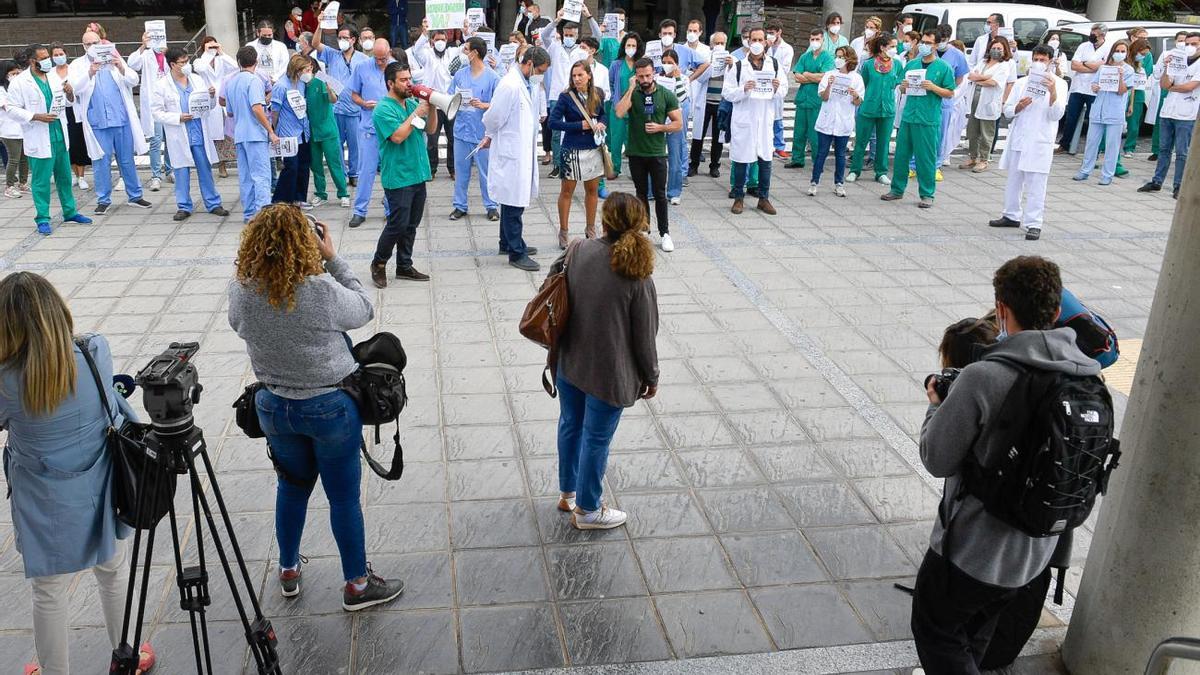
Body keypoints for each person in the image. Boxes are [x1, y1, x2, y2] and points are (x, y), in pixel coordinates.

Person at [913, 255, 1100, 674]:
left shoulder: (984, 376)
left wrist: (935, 407)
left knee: (937, 633)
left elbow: (937, 458)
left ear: (1000, 310)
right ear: (1055, 312)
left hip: (973, 552)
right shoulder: (1087, 376)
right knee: (977, 632)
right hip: (1037, 552)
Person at [228, 204, 405, 611]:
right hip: (329, 407)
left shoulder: (242, 288)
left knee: (291, 487)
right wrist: (333, 258)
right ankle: (357, 586)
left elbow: (236, 325)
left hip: (273, 405)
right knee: (342, 498)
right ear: (306, 242)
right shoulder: (319, 290)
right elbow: (363, 307)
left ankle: (288, 569)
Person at [0, 272, 156, 675]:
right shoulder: (94, 351)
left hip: (42, 496)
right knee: (112, 569)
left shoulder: (6, 380)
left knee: (48, 591)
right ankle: (128, 655)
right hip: (101, 483)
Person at [549, 192, 659, 531]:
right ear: (640, 225)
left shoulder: (579, 250)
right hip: (608, 374)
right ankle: (589, 509)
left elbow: (551, 282)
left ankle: (568, 493)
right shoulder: (636, 275)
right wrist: (651, 376)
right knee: (596, 438)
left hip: (570, 361)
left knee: (570, 425)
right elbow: (645, 336)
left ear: (605, 221)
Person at [6, 45, 93, 235]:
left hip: (59, 135)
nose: (48, 60)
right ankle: (42, 218)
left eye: (48, 57)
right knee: (41, 181)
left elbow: (67, 101)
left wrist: (70, 92)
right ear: (32, 61)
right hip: (38, 136)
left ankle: (70, 212)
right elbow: (11, 108)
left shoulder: (53, 76)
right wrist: (35, 116)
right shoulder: (20, 82)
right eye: (43, 58)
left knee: (64, 177)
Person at [70, 31, 152, 216]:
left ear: (102, 42)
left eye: (95, 42)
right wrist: (90, 72)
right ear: (83, 46)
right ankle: (103, 199)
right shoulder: (78, 65)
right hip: (97, 122)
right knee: (101, 161)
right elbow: (75, 88)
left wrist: (120, 67)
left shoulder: (114, 58)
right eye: (88, 44)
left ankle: (135, 196)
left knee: (127, 160)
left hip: (121, 119)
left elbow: (133, 80)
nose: (92, 46)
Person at [483, 46, 549, 271]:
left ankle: (507, 242)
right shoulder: (510, 85)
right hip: (511, 153)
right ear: (529, 63)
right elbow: (493, 116)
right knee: (514, 203)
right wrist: (489, 135)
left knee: (512, 198)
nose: (540, 75)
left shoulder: (525, 83)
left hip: (520, 151)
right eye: (539, 70)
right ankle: (516, 253)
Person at [991, 45, 1067, 242]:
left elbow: (1056, 115)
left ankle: (1034, 223)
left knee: (1036, 183)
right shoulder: (1022, 82)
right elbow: (1007, 111)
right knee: (1014, 179)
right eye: (1036, 59)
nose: (1039, 63)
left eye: (1043, 60)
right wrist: (1019, 106)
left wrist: (1052, 93)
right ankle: (1011, 214)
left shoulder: (1059, 84)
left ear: (1050, 61)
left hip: (1040, 140)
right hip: (1020, 137)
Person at [369, 62, 435, 287]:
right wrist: (417, 112)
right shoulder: (383, 109)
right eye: (404, 80)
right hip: (398, 176)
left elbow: (431, 129)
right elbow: (397, 136)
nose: (410, 84)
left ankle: (404, 265)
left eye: (410, 79)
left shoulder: (413, 103)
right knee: (397, 224)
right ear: (390, 83)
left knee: (412, 224)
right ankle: (378, 263)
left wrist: (432, 106)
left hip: (418, 173)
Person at [151, 47, 229, 222]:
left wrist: (211, 96)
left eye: (187, 61)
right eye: (182, 62)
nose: (186, 65)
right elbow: (156, 112)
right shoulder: (162, 85)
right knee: (181, 171)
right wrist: (177, 117)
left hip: (199, 131)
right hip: (179, 133)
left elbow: (209, 106)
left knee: (205, 168)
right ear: (172, 64)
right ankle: (184, 206)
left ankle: (213, 203)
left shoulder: (197, 80)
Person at [882, 30, 955, 208]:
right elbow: (902, 88)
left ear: (936, 45)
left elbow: (949, 92)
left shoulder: (943, 67)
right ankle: (897, 189)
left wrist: (934, 87)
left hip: (928, 118)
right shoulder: (912, 64)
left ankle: (927, 193)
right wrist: (903, 86)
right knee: (901, 155)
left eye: (929, 43)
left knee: (926, 158)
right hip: (909, 116)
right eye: (923, 42)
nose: (925, 45)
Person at [615, 57, 683, 251]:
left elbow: (678, 124)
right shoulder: (634, 93)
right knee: (641, 193)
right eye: (640, 76)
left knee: (660, 194)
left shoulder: (665, 94)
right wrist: (630, 89)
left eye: (647, 75)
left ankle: (665, 233)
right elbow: (619, 113)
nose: (644, 79)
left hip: (657, 152)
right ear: (635, 76)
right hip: (636, 152)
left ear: (653, 73)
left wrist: (661, 127)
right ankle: (644, 229)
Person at [725, 28, 787, 216]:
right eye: (754, 39)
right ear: (748, 41)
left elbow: (783, 89)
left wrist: (777, 88)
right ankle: (738, 198)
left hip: (765, 119)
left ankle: (763, 198)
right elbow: (727, 92)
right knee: (742, 160)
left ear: (766, 42)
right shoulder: (738, 66)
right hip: (745, 120)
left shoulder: (774, 65)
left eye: (761, 39)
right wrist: (743, 89)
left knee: (765, 160)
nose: (757, 42)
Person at [549, 60, 606, 247]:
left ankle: (591, 228)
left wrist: (602, 123)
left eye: (580, 75)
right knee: (567, 191)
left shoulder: (598, 93)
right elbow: (553, 122)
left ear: (589, 75)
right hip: (571, 148)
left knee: (592, 191)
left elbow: (604, 114)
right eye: (574, 76)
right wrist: (577, 125)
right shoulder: (566, 97)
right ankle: (563, 232)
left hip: (593, 148)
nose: (577, 79)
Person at [1139, 32, 1200, 200]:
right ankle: (1157, 181)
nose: (1190, 47)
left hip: (1187, 115)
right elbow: (1164, 84)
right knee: (1164, 149)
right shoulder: (1177, 60)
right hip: (1168, 112)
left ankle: (1179, 186)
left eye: (1195, 43)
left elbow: (1190, 86)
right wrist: (1167, 67)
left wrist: (1173, 87)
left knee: (1182, 153)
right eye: (1188, 43)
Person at [448, 36, 501, 222]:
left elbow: (500, 104)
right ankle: (459, 205)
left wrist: (484, 105)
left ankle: (491, 206)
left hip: (483, 133)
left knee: (486, 172)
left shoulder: (493, 77)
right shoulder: (460, 75)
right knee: (461, 172)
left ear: (475, 53)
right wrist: (455, 101)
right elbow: (449, 97)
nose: (464, 52)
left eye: (466, 49)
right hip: (462, 131)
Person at [224, 46, 279, 223]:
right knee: (261, 176)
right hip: (255, 134)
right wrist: (270, 131)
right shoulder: (254, 81)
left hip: (240, 134)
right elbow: (257, 108)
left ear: (238, 62)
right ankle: (262, 215)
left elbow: (230, 112)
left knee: (246, 177)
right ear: (256, 62)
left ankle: (249, 214)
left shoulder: (231, 82)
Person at [312, 24, 369, 189]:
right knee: (336, 145)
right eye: (340, 38)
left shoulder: (363, 59)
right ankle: (341, 175)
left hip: (355, 109)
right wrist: (320, 25)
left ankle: (354, 174)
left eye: (345, 38)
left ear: (353, 40)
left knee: (355, 145)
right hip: (336, 109)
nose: (342, 41)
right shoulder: (332, 54)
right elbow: (315, 44)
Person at [1073, 40, 1134, 186]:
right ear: (1112, 52)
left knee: (1112, 145)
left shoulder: (1129, 70)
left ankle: (1107, 174)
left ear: (1126, 53)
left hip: (1114, 111)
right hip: (1098, 109)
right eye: (1117, 51)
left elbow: (1123, 91)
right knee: (1091, 142)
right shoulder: (1103, 68)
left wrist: (1119, 76)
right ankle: (1085, 170)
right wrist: (1095, 86)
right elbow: (1094, 84)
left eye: (1122, 51)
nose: (1119, 54)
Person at [347, 38, 394, 228]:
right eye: (377, 58)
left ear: (389, 52)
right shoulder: (362, 67)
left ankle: (391, 209)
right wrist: (364, 104)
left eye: (383, 58)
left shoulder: (397, 68)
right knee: (365, 171)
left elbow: (407, 94)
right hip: (368, 127)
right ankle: (359, 211)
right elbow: (354, 94)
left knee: (390, 171)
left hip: (391, 129)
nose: (380, 62)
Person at [808, 46, 863, 197]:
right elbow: (823, 97)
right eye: (837, 56)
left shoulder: (856, 78)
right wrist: (830, 86)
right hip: (827, 119)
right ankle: (814, 182)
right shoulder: (829, 75)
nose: (837, 60)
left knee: (840, 154)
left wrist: (854, 94)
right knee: (821, 153)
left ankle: (839, 183)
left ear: (849, 60)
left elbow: (858, 102)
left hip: (843, 121)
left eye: (841, 57)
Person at [849, 33, 900, 185]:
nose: (894, 49)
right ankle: (854, 170)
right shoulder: (869, 64)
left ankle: (881, 172)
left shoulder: (897, 64)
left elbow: (897, 83)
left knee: (883, 142)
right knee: (861, 140)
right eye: (891, 46)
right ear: (882, 47)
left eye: (895, 47)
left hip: (888, 108)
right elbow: (862, 83)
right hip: (868, 107)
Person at [411, 20, 460, 179]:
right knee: (432, 139)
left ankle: (453, 169)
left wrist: (467, 32)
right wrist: (424, 32)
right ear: (432, 41)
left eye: (443, 40)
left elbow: (467, 50)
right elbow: (417, 50)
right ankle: (431, 169)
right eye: (437, 39)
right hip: (433, 103)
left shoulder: (452, 53)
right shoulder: (427, 54)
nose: (440, 42)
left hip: (450, 102)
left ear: (447, 41)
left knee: (453, 138)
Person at [539, 11, 585, 179]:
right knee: (556, 131)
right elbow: (544, 36)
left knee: (575, 129)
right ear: (562, 34)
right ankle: (558, 165)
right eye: (566, 34)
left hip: (576, 95)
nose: (568, 37)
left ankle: (572, 163)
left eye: (571, 35)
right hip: (557, 94)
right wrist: (557, 20)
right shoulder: (555, 47)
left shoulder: (581, 52)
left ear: (577, 35)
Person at [305, 47, 349, 208]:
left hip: (327, 130)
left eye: (307, 67)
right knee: (315, 165)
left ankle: (343, 193)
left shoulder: (322, 80)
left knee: (334, 163)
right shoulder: (300, 85)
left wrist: (330, 90)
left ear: (312, 66)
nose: (305, 70)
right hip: (311, 131)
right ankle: (320, 193)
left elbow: (334, 99)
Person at [1057, 24, 1112, 154]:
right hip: (1078, 87)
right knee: (1071, 117)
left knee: (1093, 119)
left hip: (1094, 89)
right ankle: (1065, 144)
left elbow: (1104, 67)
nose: (1092, 35)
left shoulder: (1108, 48)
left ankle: (1093, 148)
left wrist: (1085, 63)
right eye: (1091, 32)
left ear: (1102, 35)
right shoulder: (1083, 46)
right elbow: (1075, 65)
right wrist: (1093, 66)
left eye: (1095, 33)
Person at [128, 32, 172, 192]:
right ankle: (155, 175)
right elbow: (132, 64)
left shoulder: (166, 54)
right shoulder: (145, 54)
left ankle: (170, 170)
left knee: (171, 138)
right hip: (153, 104)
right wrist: (143, 45)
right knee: (155, 140)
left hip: (167, 102)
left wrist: (166, 54)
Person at [960, 37, 1010, 173]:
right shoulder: (982, 62)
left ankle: (983, 160)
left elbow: (994, 82)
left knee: (986, 133)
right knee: (972, 131)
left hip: (989, 103)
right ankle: (972, 157)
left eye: (999, 48)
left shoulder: (1004, 65)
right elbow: (971, 76)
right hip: (974, 100)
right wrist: (986, 77)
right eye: (994, 48)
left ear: (1005, 50)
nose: (996, 50)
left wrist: (980, 78)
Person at [270, 54, 314, 207]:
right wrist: (272, 130)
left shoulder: (301, 84)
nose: (308, 72)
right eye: (305, 69)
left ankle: (299, 197)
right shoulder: (281, 86)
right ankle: (282, 199)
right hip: (288, 132)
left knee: (304, 165)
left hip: (303, 131)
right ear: (297, 70)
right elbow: (274, 111)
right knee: (291, 167)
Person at [194, 37, 239, 179]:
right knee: (215, 134)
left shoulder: (221, 60)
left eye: (214, 45)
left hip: (223, 99)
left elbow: (235, 67)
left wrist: (221, 52)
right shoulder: (200, 61)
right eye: (209, 46)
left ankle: (226, 162)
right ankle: (220, 165)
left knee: (227, 133)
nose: (212, 48)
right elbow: (200, 68)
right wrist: (208, 54)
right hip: (209, 99)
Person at [786, 30, 832, 169]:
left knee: (815, 134)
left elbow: (824, 77)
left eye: (817, 39)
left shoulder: (827, 57)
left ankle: (817, 161)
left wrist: (806, 75)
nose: (814, 42)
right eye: (812, 39)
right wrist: (813, 77)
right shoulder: (805, 57)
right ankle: (797, 159)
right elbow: (796, 76)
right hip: (802, 99)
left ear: (823, 40)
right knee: (799, 132)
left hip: (816, 101)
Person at [51, 44, 90, 192]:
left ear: (66, 54)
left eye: (61, 53)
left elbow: (81, 86)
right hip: (59, 111)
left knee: (78, 141)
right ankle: (73, 173)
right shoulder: (50, 73)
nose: (59, 57)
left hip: (75, 109)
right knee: (67, 145)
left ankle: (81, 176)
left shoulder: (74, 69)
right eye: (55, 54)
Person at [688, 31, 727, 179]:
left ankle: (715, 165)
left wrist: (727, 65)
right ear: (711, 45)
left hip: (720, 103)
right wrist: (711, 64)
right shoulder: (705, 59)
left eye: (722, 43)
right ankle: (694, 164)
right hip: (705, 102)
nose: (719, 46)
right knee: (698, 135)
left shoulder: (731, 60)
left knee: (718, 137)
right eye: (716, 43)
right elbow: (700, 78)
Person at [1146, 31, 1190, 161]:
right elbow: (1157, 73)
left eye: (1185, 41)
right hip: (1166, 88)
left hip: (1184, 90)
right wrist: (1165, 64)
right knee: (1162, 120)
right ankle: (1157, 150)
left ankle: (1180, 152)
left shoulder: (1191, 56)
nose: (1182, 43)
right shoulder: (1167, 54)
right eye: (1180, 40)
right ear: (1175, 41)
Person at [607, 33, 643, 179]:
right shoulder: (616, 64)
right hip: (618, 108)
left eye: (633, 46)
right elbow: (610, 83)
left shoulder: (641, 64)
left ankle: (635, 169)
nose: (631, 48)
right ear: (624, 47)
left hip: (635, 108)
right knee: (616, 139)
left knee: (633, 140)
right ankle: (615, 167)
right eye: (628, 45)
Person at [934, 24, 970, 171]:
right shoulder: (929, 49)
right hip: (927, 99)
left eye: (943, 39)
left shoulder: (957, 55)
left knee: (942, 133)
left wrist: (946, 89)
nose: (940, 42)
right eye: (938, 39)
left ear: (948, 39)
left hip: (944, 100)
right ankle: (916, 163)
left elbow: (960, 79)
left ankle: (936, 164)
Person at [660, 50, 689, 206]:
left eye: (670, 62)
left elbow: (682, 98)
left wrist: (677, 77)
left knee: (675, 159)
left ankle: (674, 192)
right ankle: (654, 190)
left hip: (674, 123)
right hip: (659, 122)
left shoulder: (684, 79)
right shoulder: (658, 79)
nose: (667, 65)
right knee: (656, 157)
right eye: (665, 62)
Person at [0, 60, 29, 198]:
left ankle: (23, 183)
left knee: (24, 158)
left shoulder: (19, 88)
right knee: (14, 159)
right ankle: (9, 186)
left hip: (22, 128)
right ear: (5, 75)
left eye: (18, 73)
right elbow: (8, 107)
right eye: (13, 73)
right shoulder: (1, 90)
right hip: (9, 130)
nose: (16, 75)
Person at [766, 20, 794, 159]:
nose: (770, 35)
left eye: (772, 33)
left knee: (778, 118)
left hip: (777, 83)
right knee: (765, 117)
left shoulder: (787, 49)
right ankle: (767, 145)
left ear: (779, 32)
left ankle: (779, 146)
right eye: (768, 33)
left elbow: (784, 68)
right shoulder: (764, 46)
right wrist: (766, 47)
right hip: (765, 85)